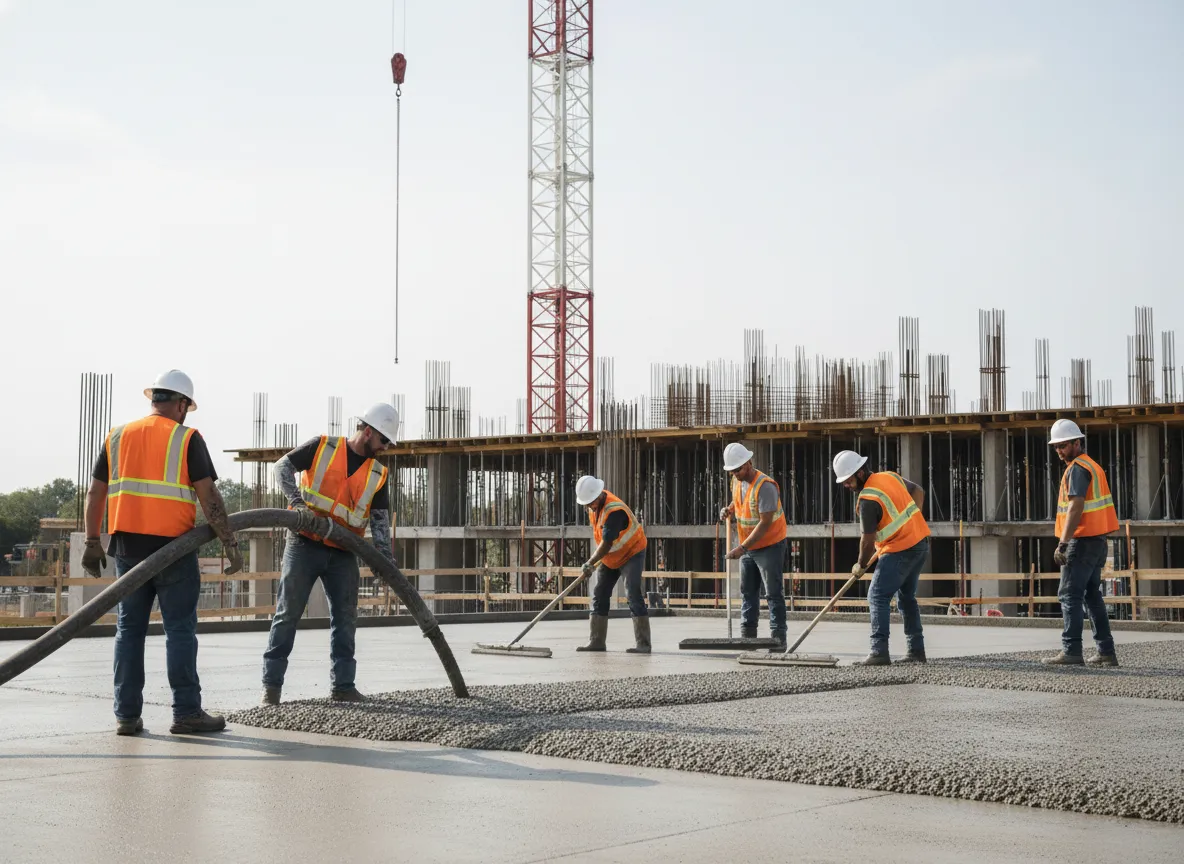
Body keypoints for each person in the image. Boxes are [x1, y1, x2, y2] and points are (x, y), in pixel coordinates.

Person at [81, 370, 241, 736]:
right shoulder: (187, 438)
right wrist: (230, 543)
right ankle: (186, 714)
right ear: (182, 404)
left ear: (154, 398)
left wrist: (93, 543)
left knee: (129, 630)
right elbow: (209, 497)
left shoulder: (117, 435)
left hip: (127, 550)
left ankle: (126, 716)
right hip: (174, 550)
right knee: (180, 631)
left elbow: (95, 494)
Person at [261, 403, 401, 704]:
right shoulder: (322, 447)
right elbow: (281, 466)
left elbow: (378, 520)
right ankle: (271, 688)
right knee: (287, 615)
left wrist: (384, 560)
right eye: (384, 440)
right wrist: (297, 503)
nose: (386, 447)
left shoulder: (378, 473)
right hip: (304, 544)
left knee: (346, 618)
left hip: (343, 552)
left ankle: (343, 687)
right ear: (368, 432)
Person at [832, 449, 929, 666]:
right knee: (906, 598)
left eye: (847, 481)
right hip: (920, 544)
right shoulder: (889, 476)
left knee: (877, 596)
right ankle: (916, 651)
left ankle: (879, 652)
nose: (846, 486)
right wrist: (912, 522)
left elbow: (867, 541)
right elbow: (918, 491)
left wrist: (861, 564)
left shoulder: (867, 500)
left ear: (859, 473)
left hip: (900, 549)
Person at [1043, 419, 1119, 666]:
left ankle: (1071, 651)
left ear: (1078, 442)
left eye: (1063, 445)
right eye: (1056, 447)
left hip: (1081, 541)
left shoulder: (1077, 468)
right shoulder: (1093, 467)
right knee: (1091, 596)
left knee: (1069, 595)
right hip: (1097, 541)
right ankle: (1106, 652)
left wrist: (1063, 543)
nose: (1059, 451)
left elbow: (1076, 506)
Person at [718, 443, 788, 647]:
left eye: (738, 469)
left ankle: (778, 640)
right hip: (748, 546)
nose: (735, 474)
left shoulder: (765, 486)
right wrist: (729, 509)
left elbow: (765, 522)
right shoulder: (736, 481)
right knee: (747, 591)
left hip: (769, 545)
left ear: (749, 463)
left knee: (773, 593)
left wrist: (742, 548)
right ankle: (748, 638)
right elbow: (739, 502)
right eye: (732, 471)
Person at [573, 475, 651, 653]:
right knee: (600, 592)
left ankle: (643, 643)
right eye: (586, 503)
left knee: (632, 590)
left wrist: (590, 563)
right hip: (611, 556)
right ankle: (597, 641)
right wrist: (594, 562)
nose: (588, 507)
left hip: (632, 551)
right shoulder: (593, 506)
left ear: (599, 495)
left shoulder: (614, 511)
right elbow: (604, 542)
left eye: (590, 502)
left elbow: (607, 542)